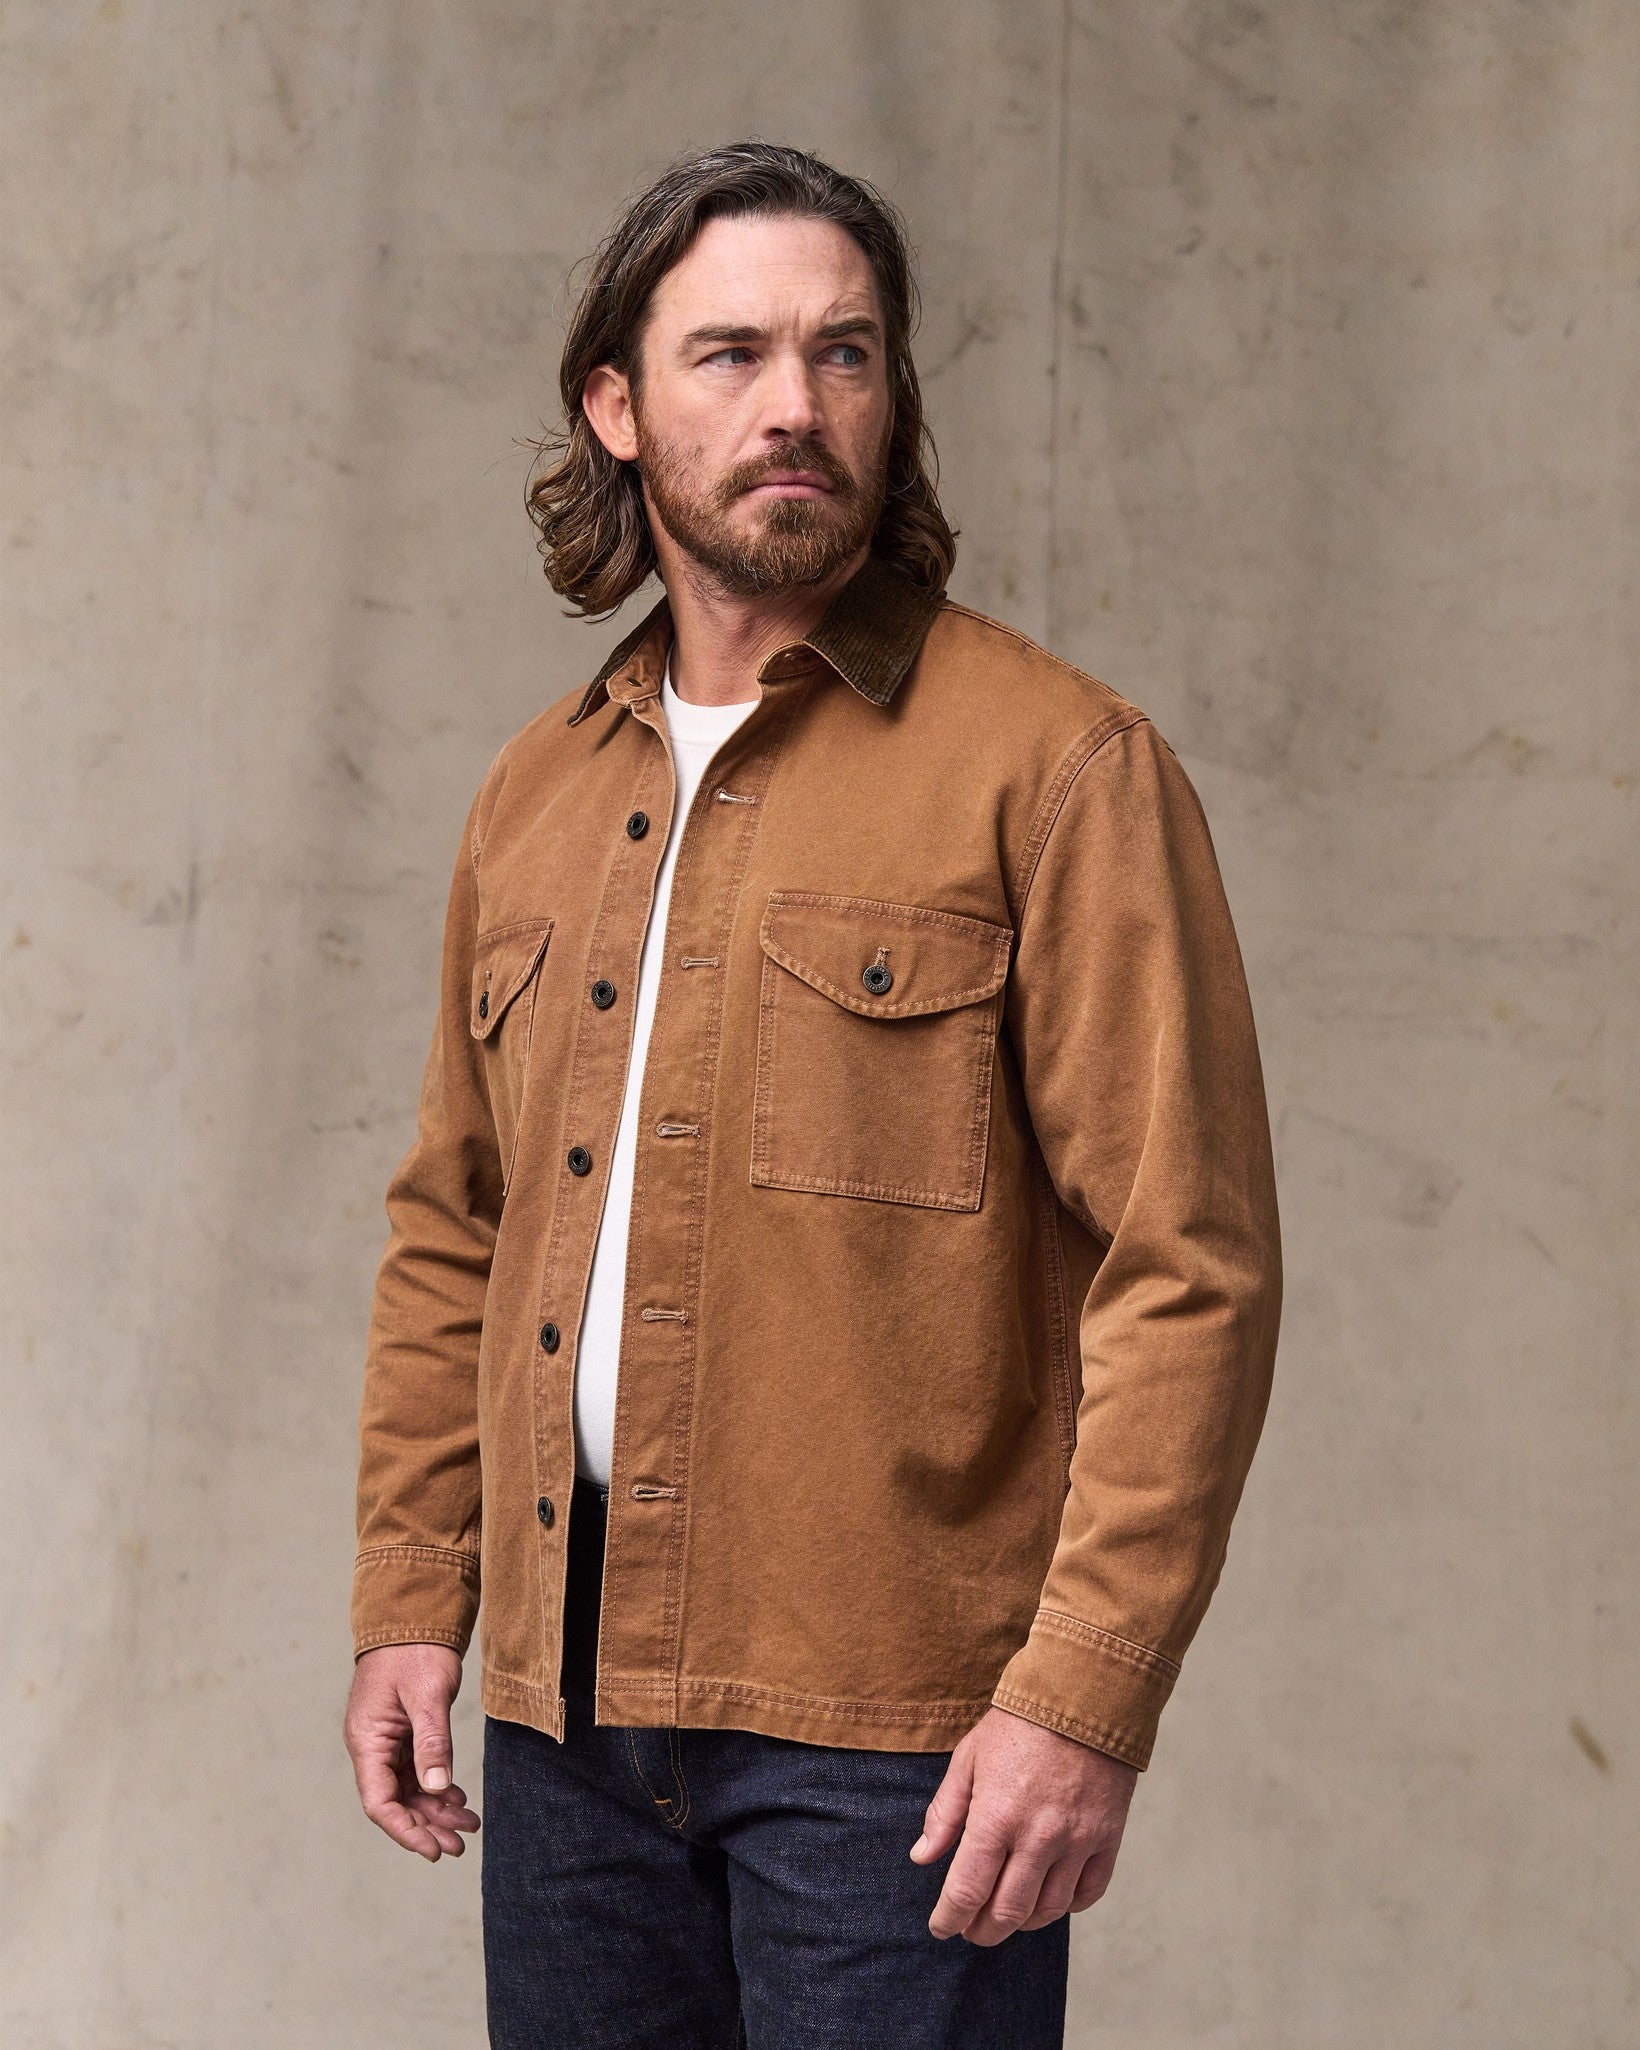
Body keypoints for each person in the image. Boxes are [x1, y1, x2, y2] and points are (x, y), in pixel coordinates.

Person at [341, 140, 1282, 2050]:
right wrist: (412, 1591)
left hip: (901, 1738)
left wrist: (1085, 1693)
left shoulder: (1058, 768)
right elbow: (455, 1226)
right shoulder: (534, 793)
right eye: (733, 353)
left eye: (845, 353)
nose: (797, 403)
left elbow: (1188, 1263)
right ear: (616, 407)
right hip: (565, 1712)